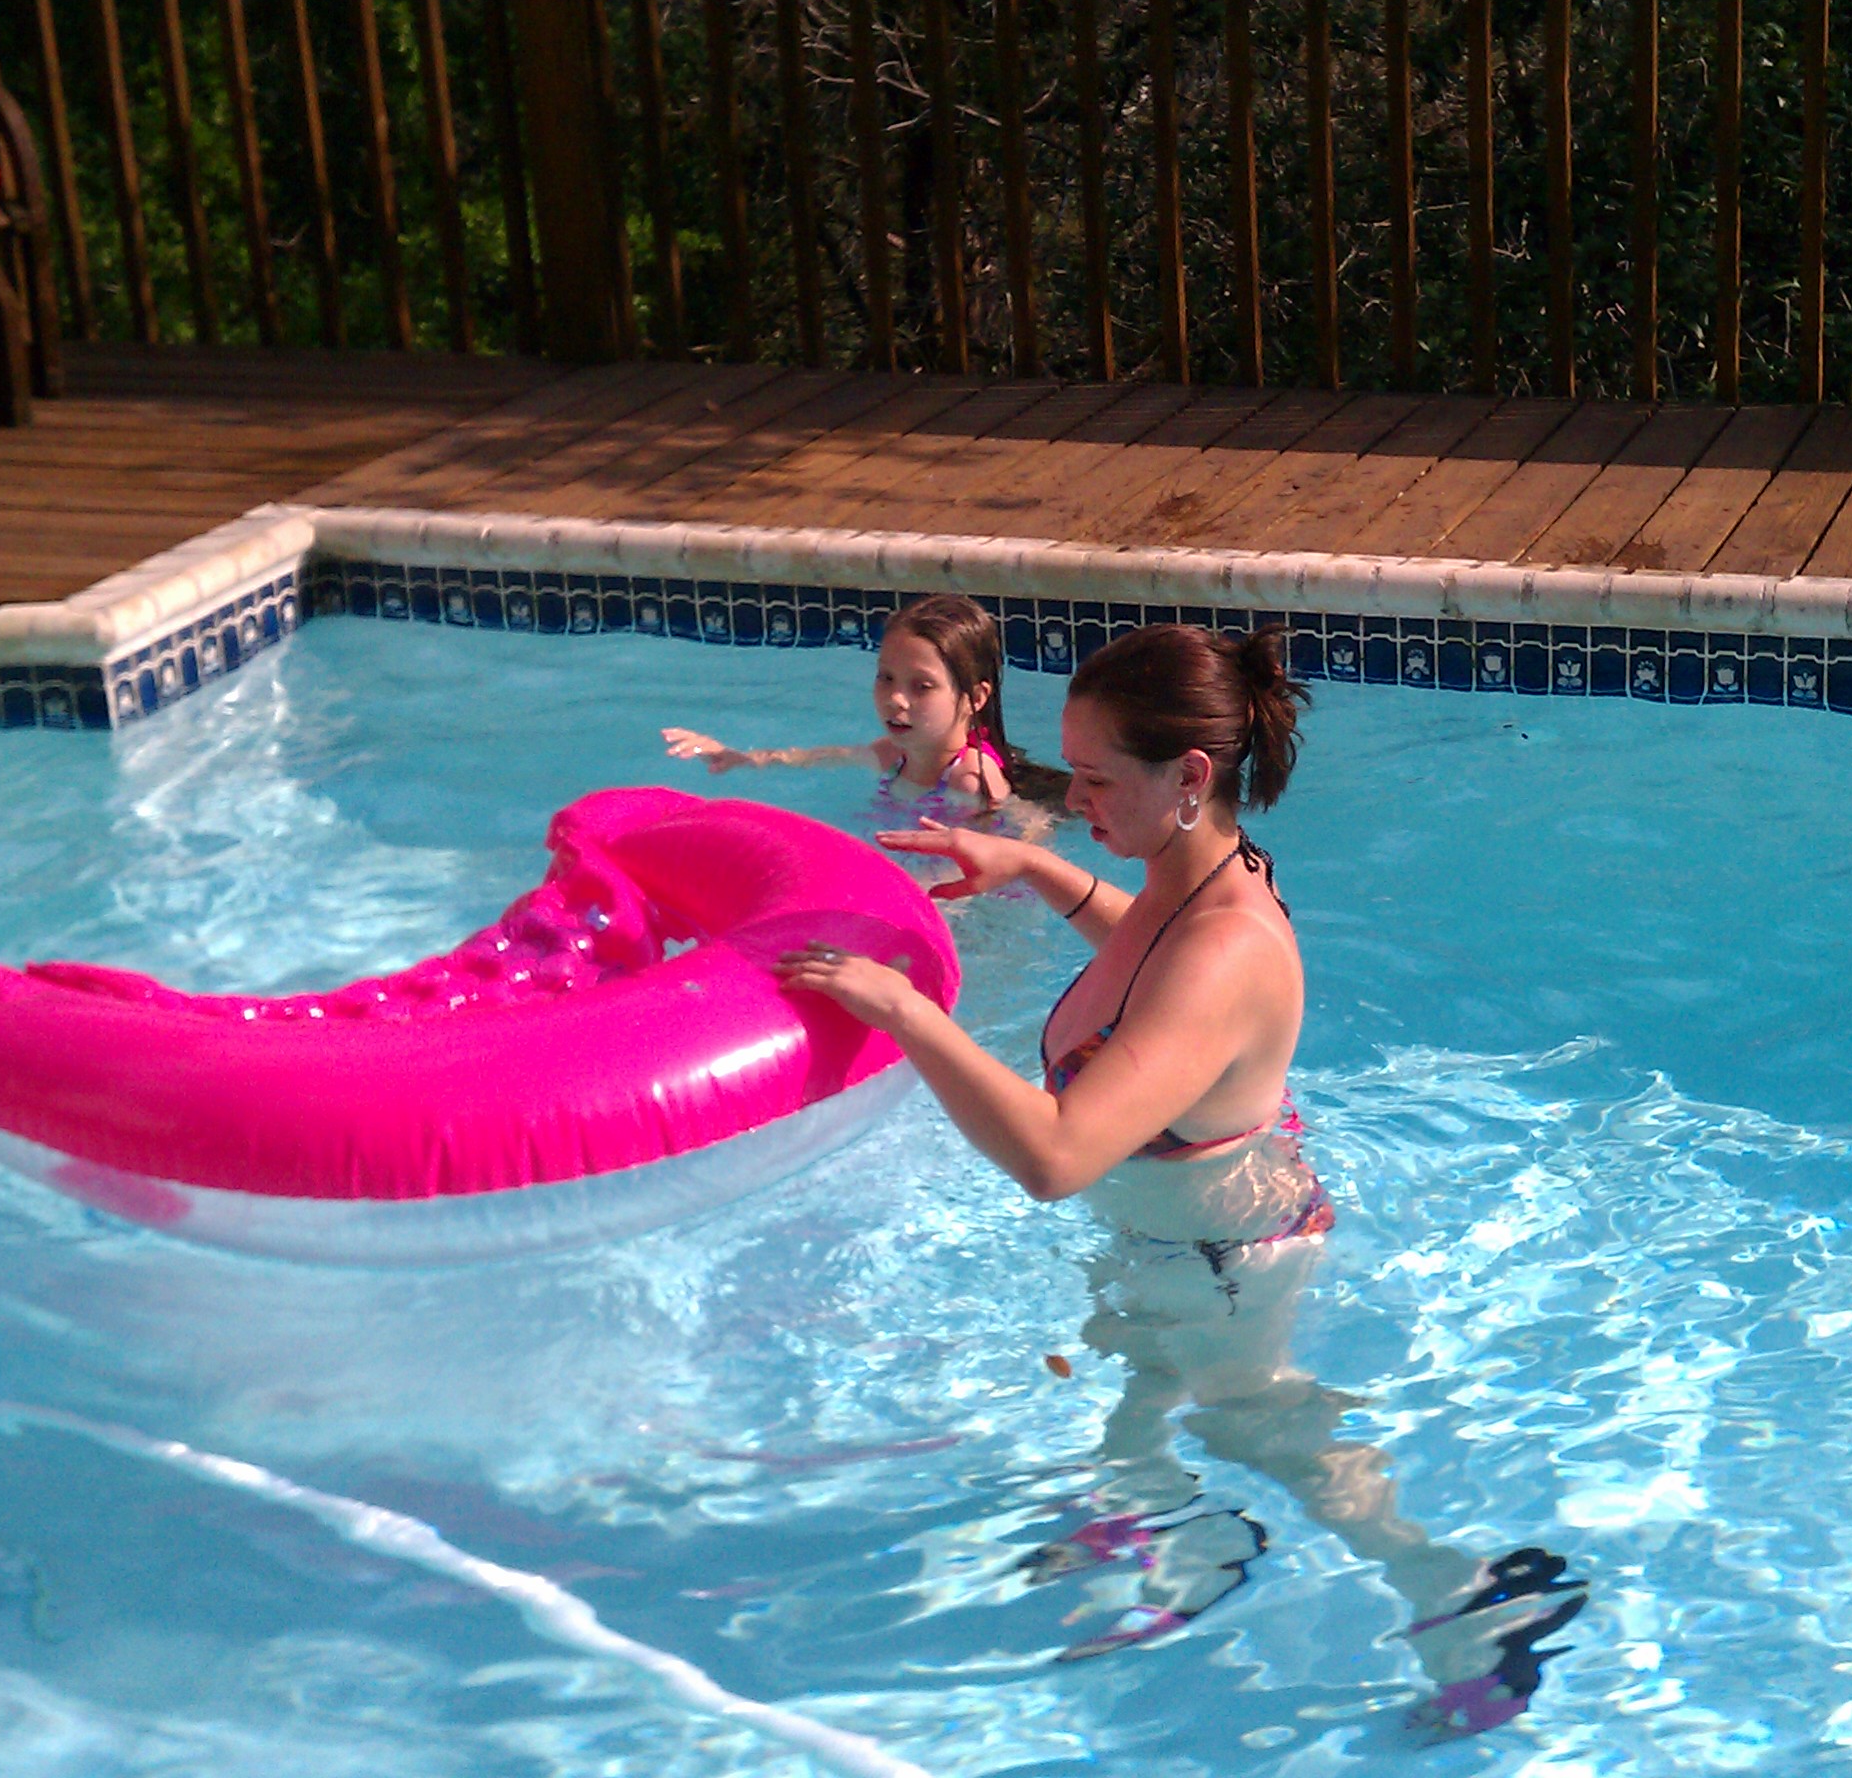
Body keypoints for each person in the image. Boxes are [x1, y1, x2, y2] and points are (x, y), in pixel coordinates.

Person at [774, 622, 1587, 1738]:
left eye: (1098, 779)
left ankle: (1463, 1597)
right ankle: (1164, 1525)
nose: (1074, 799)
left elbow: (1057, 1155)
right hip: (1186, 1233)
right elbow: (1145, 960)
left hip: (1222, 1261)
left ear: (1189, 775)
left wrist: (907, 1013)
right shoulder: (1195, 872)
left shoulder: (1226, 945)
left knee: (1261, 1423)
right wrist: (1037, 868)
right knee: (1137, 1370)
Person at [661, 594, 1049, 818]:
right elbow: (814, 758)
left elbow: (991, 858)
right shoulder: (893, 755)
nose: (896, 699)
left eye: (922, 687)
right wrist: (738, 757)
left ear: (975, 698)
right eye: (886, 678)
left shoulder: (969, 779)